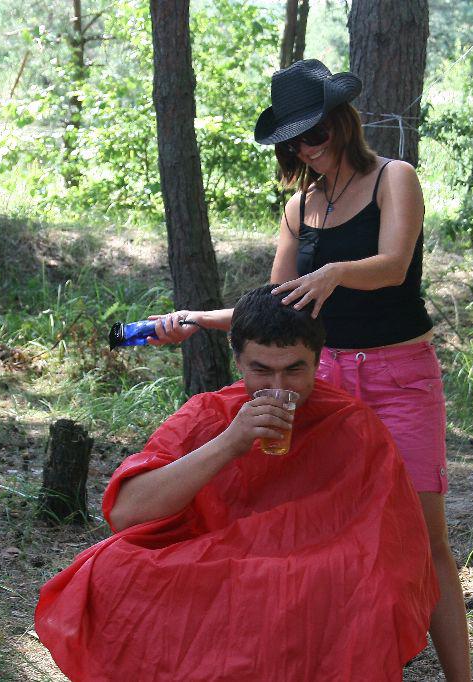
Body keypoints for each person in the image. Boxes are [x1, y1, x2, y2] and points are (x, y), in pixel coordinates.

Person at [148, 60, 472, 680]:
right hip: (322, 383)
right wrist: (197, 319)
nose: (307, 148)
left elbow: (394, 265)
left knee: (424, 534)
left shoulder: (393, 178)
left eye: (315, 132)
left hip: (399, 378)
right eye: (294, 141)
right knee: (328, 532)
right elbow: (276, 307)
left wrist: (335, 273)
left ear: (342, 121)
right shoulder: (300, 208)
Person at [35, 285, 439, 681]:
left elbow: (393, 545)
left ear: (318, 362)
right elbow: (127, 513)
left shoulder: (353, 423)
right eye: (261, 370)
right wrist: (229, 442)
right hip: (215, 560)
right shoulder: (209, 413)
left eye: (294, 369)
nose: (279, 388)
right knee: (110, 570)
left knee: (350, 588)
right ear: (239, 363)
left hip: (314, 572)